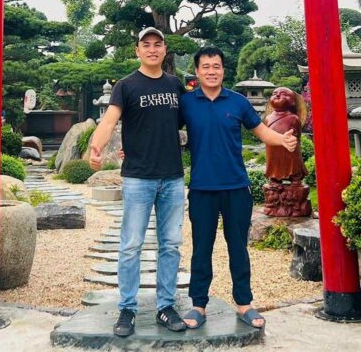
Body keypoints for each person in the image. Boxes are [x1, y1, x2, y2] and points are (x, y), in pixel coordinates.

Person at [179, 46, 299, 330]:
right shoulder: (186, 103)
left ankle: (244, 303)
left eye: (217, 66)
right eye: (206, 66)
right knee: (201, 248)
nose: (211, 71)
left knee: (238, 247)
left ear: (223, 70)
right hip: (201, 189)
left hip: (236, 187)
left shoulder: (237, 102)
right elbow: (162, 130)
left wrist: (283, 140)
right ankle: (198, 304)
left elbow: (260, 131)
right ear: (197, 71)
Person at [87, 27, 187, 337]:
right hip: (138, 178)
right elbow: (109, 119)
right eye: (147, 45)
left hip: (172, 177)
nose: (153, 49)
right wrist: (96, 146)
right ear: (138, 51)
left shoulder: (175, 85)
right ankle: (127, 308)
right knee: (131, 245)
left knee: (170, 244)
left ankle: (165, 305)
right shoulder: (126, 86)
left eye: (158, 44)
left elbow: (186, 122)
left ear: (165, 49)